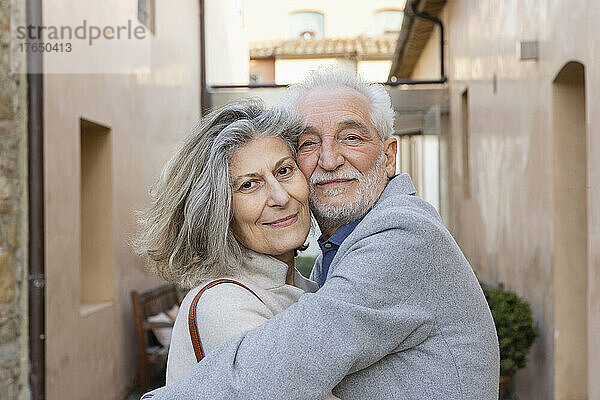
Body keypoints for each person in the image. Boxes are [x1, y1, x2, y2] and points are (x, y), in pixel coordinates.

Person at [142, 69, 500, 400]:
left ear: (390, 157)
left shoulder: (402, 236)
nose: (330, 160)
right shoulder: (322, 267)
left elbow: (280, 366)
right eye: (309, 144)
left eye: (351, 137)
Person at [134, 99, 338, 398]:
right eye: (248, 185)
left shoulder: (307, 287)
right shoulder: (223, 305)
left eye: (283, 171)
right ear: (219, 212)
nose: (280, 197)